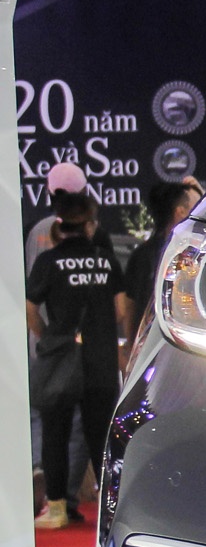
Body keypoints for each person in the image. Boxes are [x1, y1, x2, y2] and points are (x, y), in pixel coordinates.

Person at [26, 189, 129, 529]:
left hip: (61, 359)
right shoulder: (106, 260)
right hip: (100, 360)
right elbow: (120, 310)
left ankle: (57, 509)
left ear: (58, 224)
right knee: (101, 435)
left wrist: (49, 336)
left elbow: (30, 307)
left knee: (55, 432)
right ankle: (111, 510)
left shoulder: (48, 261)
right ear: (89, 224)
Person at [124, 177, 202, 329]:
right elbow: (130, 306)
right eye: (196, 207)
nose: (202, 214)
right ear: (180, 212)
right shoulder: (147, 257)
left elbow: (129, 306)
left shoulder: (141, 254)